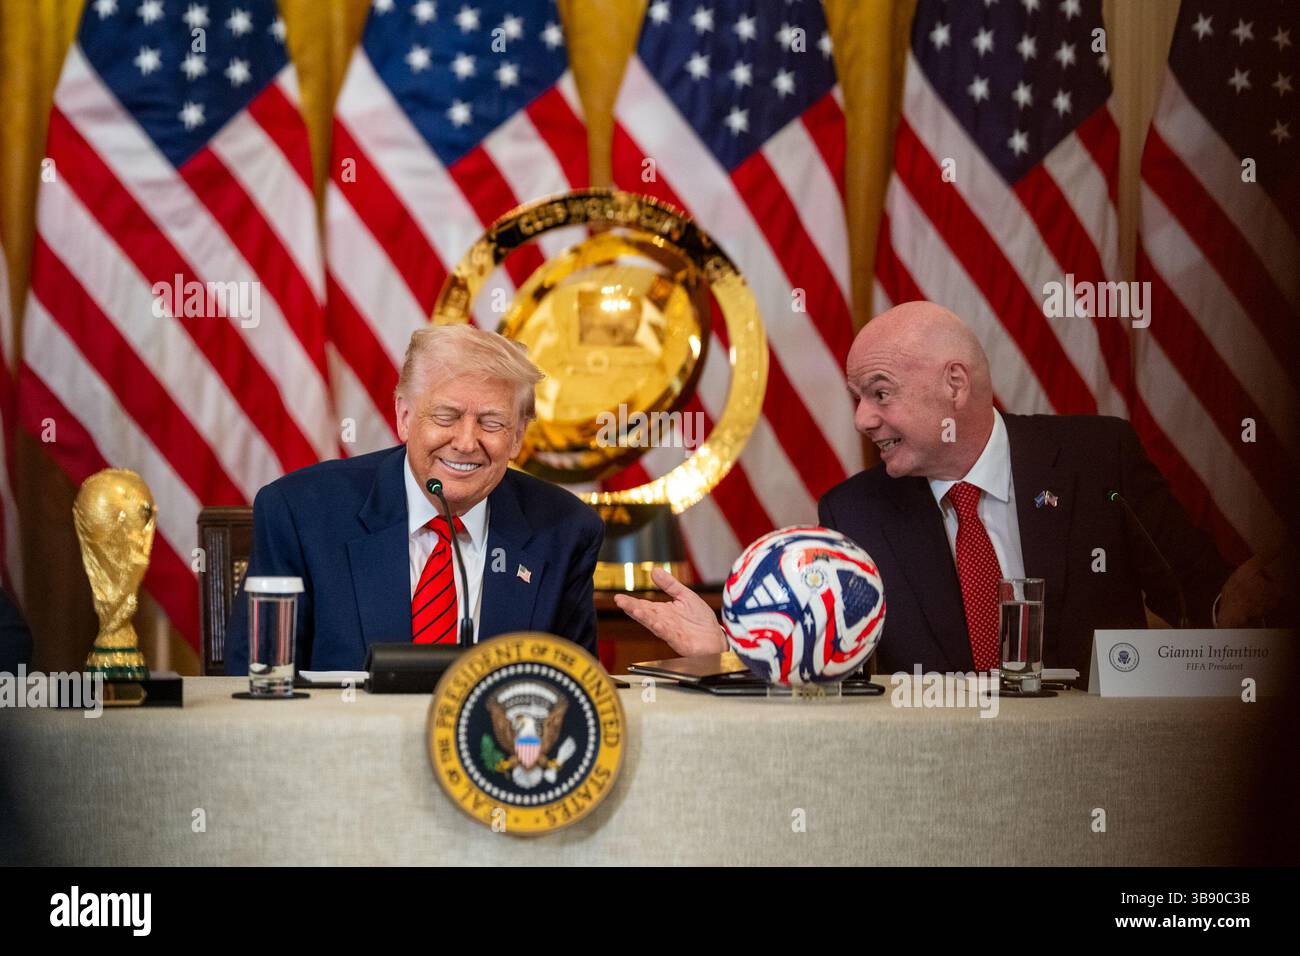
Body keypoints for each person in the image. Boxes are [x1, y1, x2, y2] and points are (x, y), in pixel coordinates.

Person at [616, 301, 1287, 681]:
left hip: (1103, 775)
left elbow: (1203, 599)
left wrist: (1249, 602)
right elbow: (834, 677)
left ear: (955, 387)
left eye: (880, 394)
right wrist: (731, 653)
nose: (862, 420)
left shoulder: (1096, 458)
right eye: (857, 398)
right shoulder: (855, 510)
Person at [225, 325, 604, 673]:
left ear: (518, 436)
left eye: (491, 422)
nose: (466, 442)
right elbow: (258, 681)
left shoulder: (566, 530)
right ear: (405, 417)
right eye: (446, 416)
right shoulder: (301, 513)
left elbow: (574, 692)